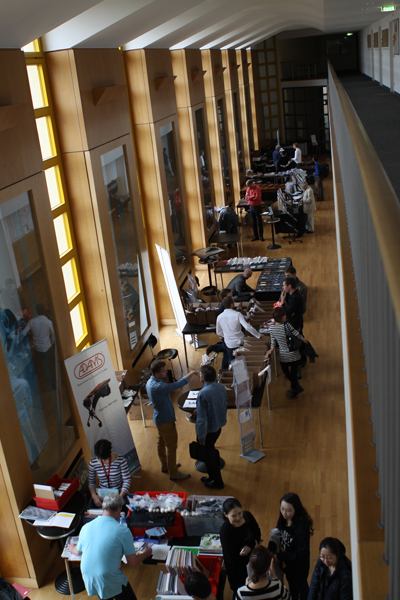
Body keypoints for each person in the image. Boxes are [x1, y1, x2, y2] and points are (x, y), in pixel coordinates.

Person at [67, 493, 152, 600]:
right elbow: (133, 562)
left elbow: (78, 551)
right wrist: (146, 553)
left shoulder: (86, 527)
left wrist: (72, 548)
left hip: (89, 576)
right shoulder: (123, 531)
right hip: (107, 576)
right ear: (117, 508)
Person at [146, 360, 199, 480]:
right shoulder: (159, 386)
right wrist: (192, 373)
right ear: (157, 374)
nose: (166, 373)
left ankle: (165, 465)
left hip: (159, 418)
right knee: (171, 446)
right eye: (164, 371)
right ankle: (173, 472)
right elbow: (177, 385)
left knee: (161, 443)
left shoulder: (150, 382)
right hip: (165, 419)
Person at [273, 493, 314, 600]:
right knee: (291, 585)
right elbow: (278, 531)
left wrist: (280, 556)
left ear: (296, 509)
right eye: (282, 509)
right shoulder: (283, 518)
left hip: (298, 567)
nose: (284, 513)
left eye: (288, 510)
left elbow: (301, 553)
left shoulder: (301, 528)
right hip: (287, 564)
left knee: (302, 588)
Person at [220, 497, 262, 596]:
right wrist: (245, 554)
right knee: (240, 591)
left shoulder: (248, 516)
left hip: (254, 560)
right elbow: (231, 557)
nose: (238, 518)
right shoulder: (225, 531)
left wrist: (251, 547)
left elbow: (257, 533)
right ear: (226, 515)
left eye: (239, 513)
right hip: (237, 568)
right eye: (234, 516)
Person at [195, 365, 227, 489]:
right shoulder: (221, 387)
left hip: (208, 431)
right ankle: (211, 477)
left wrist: (201, 438)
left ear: (203, 378)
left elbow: (202, 420)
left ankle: (217, 482)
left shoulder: (203, 393)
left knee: (209, 457)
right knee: (210, 453)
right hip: (218, 426)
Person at [269, 307, 307, 398]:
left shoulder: (272, 329)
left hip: (284, 356)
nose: (286, 316)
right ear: (280, 317)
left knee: (286, 371)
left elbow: (273, 344)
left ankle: (294, 389)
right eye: (284, 315)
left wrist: (270, 351)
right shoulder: (287, 325)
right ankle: (295, 388)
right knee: (294, 373)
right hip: (294, 354)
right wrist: (303, 340)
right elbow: (296, 334)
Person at [216, 296, 262, 368]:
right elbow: (247, 327)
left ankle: (233, 375)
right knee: (243, 359)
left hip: (229, 343)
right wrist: (258, 335)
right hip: (240, 342)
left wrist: (227, 335)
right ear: (231, 304)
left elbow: (218, 332)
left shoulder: (219, 317)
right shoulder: (237, 314)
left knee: (231, 360)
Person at [88, 439, 131, 508]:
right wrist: (94, 496)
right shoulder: (93, 463)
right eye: (100, 459)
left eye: (105, 459)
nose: (103, 461)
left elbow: (127, 481)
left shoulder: (121, 461)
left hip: (119, 493)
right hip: (103, 495)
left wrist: (119, 498)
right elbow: (91, 482)